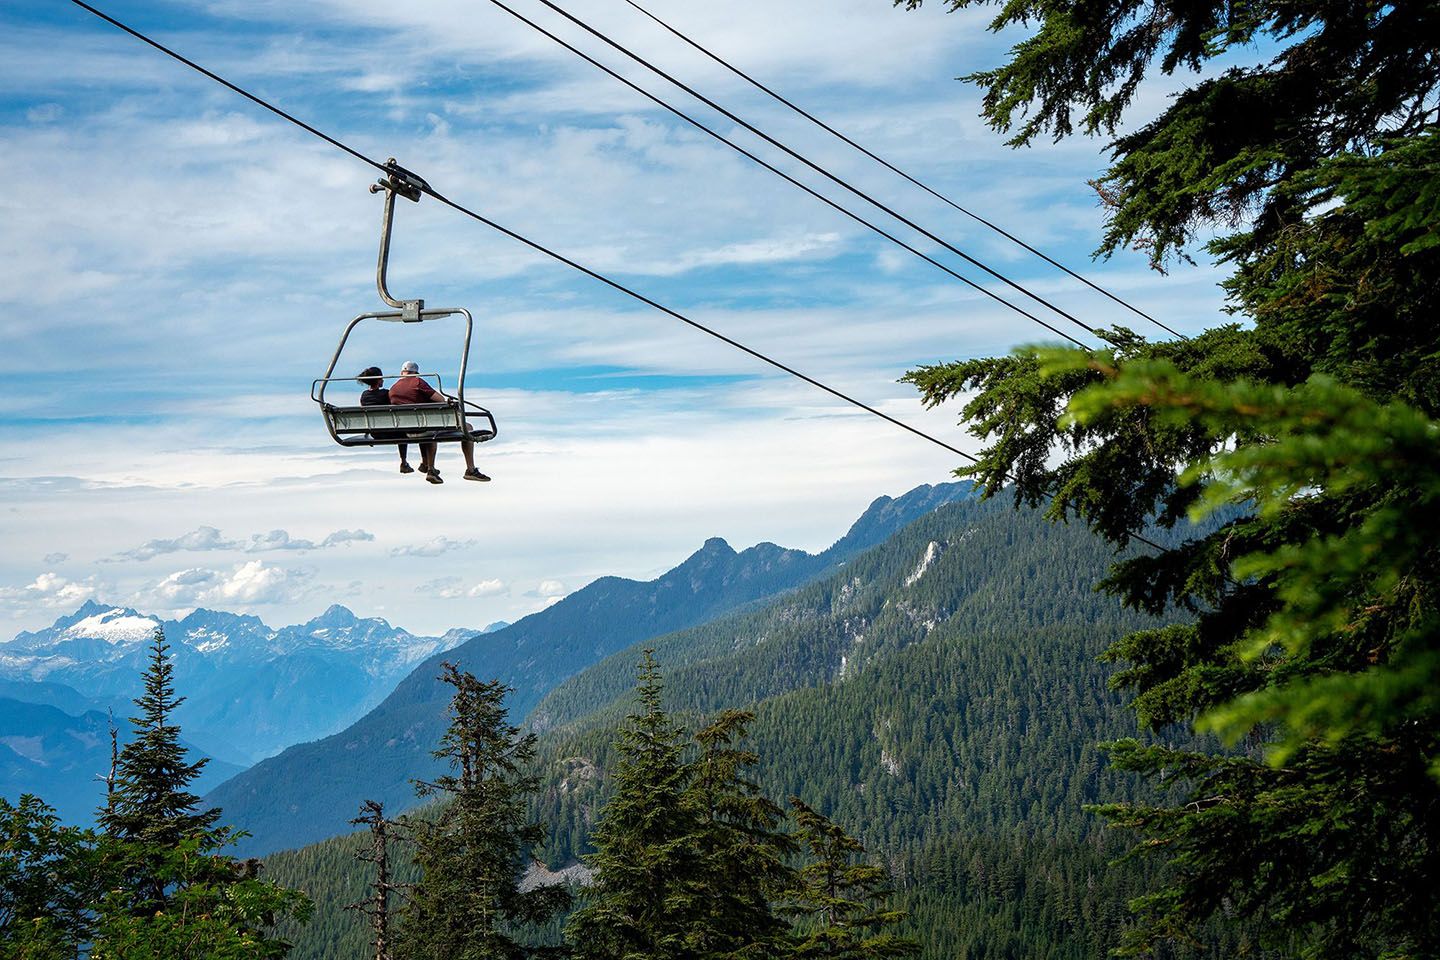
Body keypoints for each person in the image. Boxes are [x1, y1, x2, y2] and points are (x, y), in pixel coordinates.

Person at [388, 360, 490, 482]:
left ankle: (426, 465)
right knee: (467, 427)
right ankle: (470, 469)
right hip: (425, 429)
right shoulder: (417, 382)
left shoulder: (393, 389)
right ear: (416, 373)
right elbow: (440, 399)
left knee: (424, 427)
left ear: (402, 372)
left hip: (406, 431)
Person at [357, 366, 426, 478]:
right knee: (406, 431)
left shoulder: (364, 396)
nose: (383, 380)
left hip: (375, 433)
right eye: (381, 378)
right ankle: (404, 461)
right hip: (391, 431)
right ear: (378, 380)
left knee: (399, 430)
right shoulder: (385, 394)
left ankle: (405, 463)